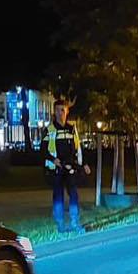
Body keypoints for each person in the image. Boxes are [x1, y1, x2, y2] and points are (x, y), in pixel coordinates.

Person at [44, 99, 91, 232]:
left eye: (63, 110)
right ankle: (60, 225)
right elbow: (43, 150)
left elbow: (78, 148)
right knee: (58, 196)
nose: (61, 113)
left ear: (67, 111)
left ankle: (75, 222)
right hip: (56, 168)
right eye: (58, 110)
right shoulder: (49, 130)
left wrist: (84, 163)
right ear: (54, 112)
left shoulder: (71, 129)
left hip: (71, 167)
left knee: (74, 195)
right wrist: (53, 160)